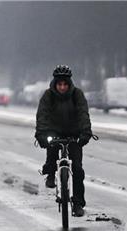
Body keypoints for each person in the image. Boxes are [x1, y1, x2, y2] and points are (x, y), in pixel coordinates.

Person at [34, 65, 93, 217]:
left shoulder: (77, 95)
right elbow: (42, 115)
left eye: (65, 84)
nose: (62, 87)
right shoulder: (48, 96)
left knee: (78, 169)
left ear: (69, 84)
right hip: (54, 132)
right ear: (55, 83)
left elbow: (83, 114)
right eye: (59, 84)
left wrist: (85, 133)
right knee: (51, 153)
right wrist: (41, 134)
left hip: (73, 134)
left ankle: (78, 203)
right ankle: (51, 173)